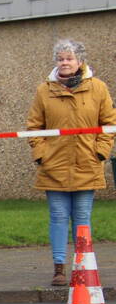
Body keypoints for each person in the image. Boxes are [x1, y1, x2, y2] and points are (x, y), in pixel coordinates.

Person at [27, 39, 116, 287]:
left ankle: (82, 265)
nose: (64, 62)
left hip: (87, 163)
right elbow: (34, 126)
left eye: (69, 58)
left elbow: (109, 124)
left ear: (80, 61)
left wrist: (100, 152)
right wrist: (41, 155)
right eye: (60, 59)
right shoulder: (44, 90)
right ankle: (59, 268)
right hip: (53, 166)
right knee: (57, 216)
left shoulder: (98, 88)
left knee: (82, 217)